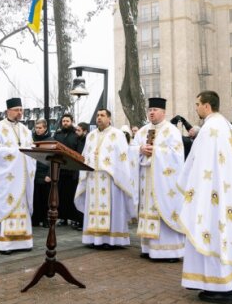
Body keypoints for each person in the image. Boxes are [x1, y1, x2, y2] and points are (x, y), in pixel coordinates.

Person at [177, 91, 232, 304]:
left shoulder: (209, 128)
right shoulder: (227, 126)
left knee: (213, 233)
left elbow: (197, 162)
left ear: (207, 106)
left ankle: (219, 288)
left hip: (211, 194)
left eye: (197, 104)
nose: (196, 108)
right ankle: (229, 284)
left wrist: (188, 186)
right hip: (228, 193)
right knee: (226, 234)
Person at [75, 109, 136, 248]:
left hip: (110, 179)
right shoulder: (90, 135)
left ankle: (111, 240)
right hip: (93, 178)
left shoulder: (117, 134)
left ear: (109, 118)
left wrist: (111, 168)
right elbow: (85, 155)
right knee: (93, 207)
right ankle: (93, 239)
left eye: (102, 115)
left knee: (112, 208)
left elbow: (123, 158)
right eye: (97, 115)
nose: (99, 118)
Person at [133, 97, 185, 261]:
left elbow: (177, 155)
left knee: (164, 210)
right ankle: (148, 248)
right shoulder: (142, 131)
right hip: (146, 180)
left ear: (163, 112)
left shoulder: (172, 131)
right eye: (150, 110)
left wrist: (155, 151)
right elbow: (131, 149)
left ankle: (169, 252)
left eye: (155, 110)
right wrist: (140, 150)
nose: (152, 113)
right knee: (147, 210)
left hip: (164, 182)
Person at [0, 98, 36, 254]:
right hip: (6, 179)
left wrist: (26, 153)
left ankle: (24, 242)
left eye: (21, 109)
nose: (20, 112)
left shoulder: (26, 130)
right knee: (5, 206)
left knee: (21, 207)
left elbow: (31, 149)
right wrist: (16, 152)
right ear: (8, 111)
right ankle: (4, 244)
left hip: (22, 177)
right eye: (16, 109)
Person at [53, 114, 80, 229]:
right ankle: (62, 217)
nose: (65, 123)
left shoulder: (76, 135)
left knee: (72, 195)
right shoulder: (57, 135)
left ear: (72, 121)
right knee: (61, 195)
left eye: (67, 121)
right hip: (60, 169)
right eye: (63, 121)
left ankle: (73, 218)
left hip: (72, 169)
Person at [31, 119, 52, 228]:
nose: (38, 130)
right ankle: (35, 219)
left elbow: (53, 159)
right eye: (36, 128)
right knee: (35, 198)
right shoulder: (31, 139)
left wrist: (49, 174)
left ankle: (45, 220)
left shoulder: (51, 141)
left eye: (40, 128)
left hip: (45, 174)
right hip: (33, 173)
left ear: (45, 128)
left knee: (45, 199)